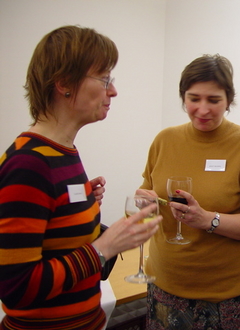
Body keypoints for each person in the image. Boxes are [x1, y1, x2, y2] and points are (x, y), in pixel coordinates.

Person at [0, 25, 162, 330]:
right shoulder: (28, 164)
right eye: (104, 79)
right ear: (64, 84)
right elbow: (16, 289)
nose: (112, 90)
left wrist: (77, 206)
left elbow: (59, 239)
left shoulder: (63, 152)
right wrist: (104, 247)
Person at [137, 54, 240, 329]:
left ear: (229, 100)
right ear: (183, 97)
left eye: (213, 100)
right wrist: (144, 201)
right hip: (163, 283)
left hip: (221, 294)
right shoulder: (165, 140)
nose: (203, 109)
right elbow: (146, 190)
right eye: (193, 98)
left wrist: (207, 220)